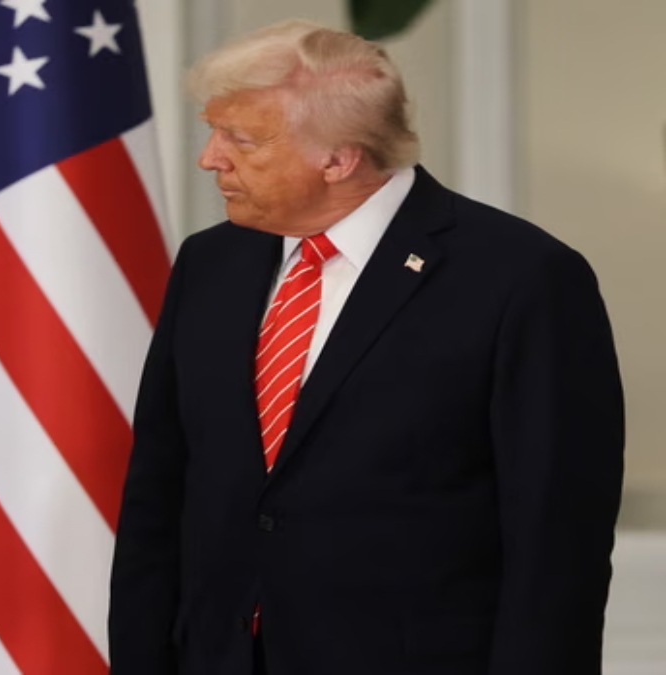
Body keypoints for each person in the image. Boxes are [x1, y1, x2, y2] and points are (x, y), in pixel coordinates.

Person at [109, 20, 623, 675]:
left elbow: (558, 546)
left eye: (241, 138)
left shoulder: (522, 278)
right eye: (214, 131)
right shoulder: (210, 263)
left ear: (339, 156)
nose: (212, 158)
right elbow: (159, 491)